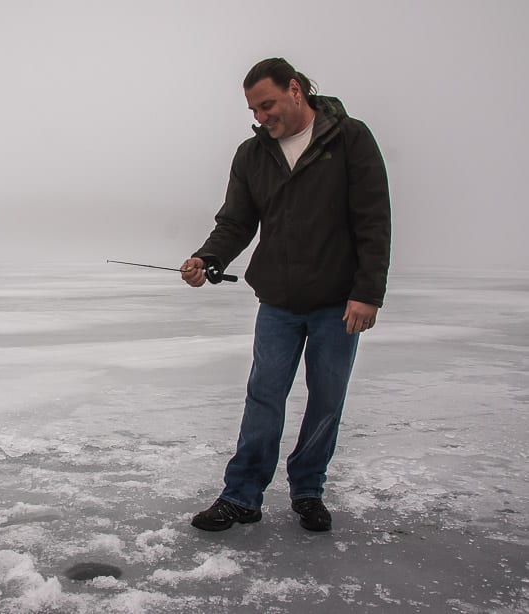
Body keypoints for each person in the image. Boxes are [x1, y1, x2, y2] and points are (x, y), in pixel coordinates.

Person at [181, 58, 390, 532]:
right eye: (254, 109)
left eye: (268, 104)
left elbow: (373, 220)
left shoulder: (349, 139)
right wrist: (208, 259)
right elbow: (236, 221)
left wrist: (368, 293)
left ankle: (308, 490)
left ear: (295, 90)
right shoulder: (252, 155)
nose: (261, 117)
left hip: (339, 302)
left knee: (326, 399)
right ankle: (241, 497)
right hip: (277, 300)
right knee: (264, 396)